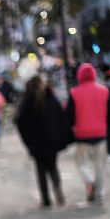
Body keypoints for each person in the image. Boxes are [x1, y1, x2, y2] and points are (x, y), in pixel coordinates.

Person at [15, 76, 69, 208]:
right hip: (52, 140)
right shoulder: (51, 98)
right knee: (53, 167)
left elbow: (19, 122)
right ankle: (57, 187)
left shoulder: (27, 102)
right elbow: (62, 117)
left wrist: (27, 140)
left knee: (41, 171)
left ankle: (46, 200)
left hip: (36, 143)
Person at [66, 63, 110, 204]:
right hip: (100, 133)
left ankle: (89, 181)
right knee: (100, 165)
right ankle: (99, 195)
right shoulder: (104, 90)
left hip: (82, 135)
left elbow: (69, 116)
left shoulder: (74, 92)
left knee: (81, 162)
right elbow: (109, 111)